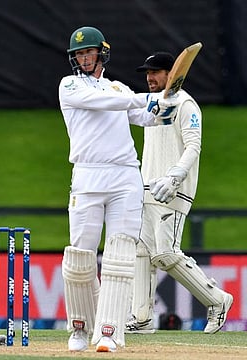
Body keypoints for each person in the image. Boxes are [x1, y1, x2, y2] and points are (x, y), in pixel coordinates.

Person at [58, 26, 179, 353]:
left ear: (102, 53)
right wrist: (147, 98)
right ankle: (80, 328)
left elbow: (147, 117)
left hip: (125, 175)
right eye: (79, 54)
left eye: (89, 52)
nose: (84, 58)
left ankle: (109, 331)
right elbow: (105, 102)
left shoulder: (118, 87)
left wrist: (169, 102)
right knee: (81, 254)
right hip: (87, 175)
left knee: (120, 252)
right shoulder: (69, 85)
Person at [126, 51, 233, 334]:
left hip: (173, 190)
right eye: (147, 73)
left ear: (171, 73)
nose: (149, 78)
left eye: (155, 72)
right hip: (147, 187)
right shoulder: (155, 104)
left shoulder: (187, 105)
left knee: (165, 253)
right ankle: (141, 317)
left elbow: (193, 146)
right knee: (141, 252)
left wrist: (175, 176)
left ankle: (218, 300)